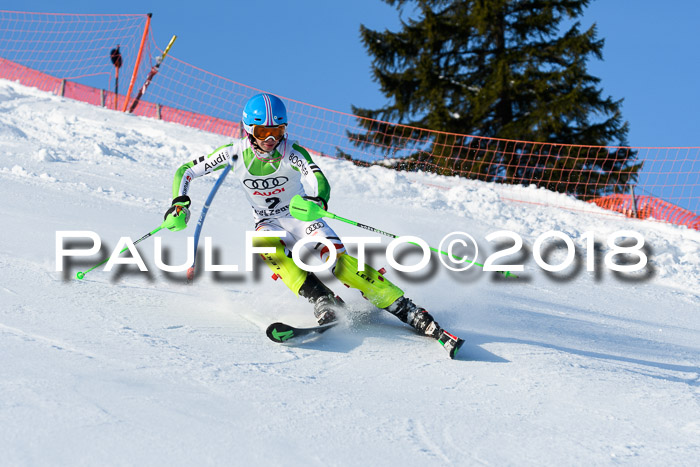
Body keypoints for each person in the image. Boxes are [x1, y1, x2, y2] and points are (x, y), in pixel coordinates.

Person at [163, 93, 464, 358]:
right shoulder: (232, 154)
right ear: (249, 130)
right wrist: (180, 203)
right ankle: (322, 299)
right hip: (268, 223)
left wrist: (317, 201)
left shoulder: (293, 152)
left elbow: (318, 180)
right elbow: (186, 171)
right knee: (265, 247)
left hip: (300, 218)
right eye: (264, 131)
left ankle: (406, 308)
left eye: (277, 130)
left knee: (339, 263)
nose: (271, 140)